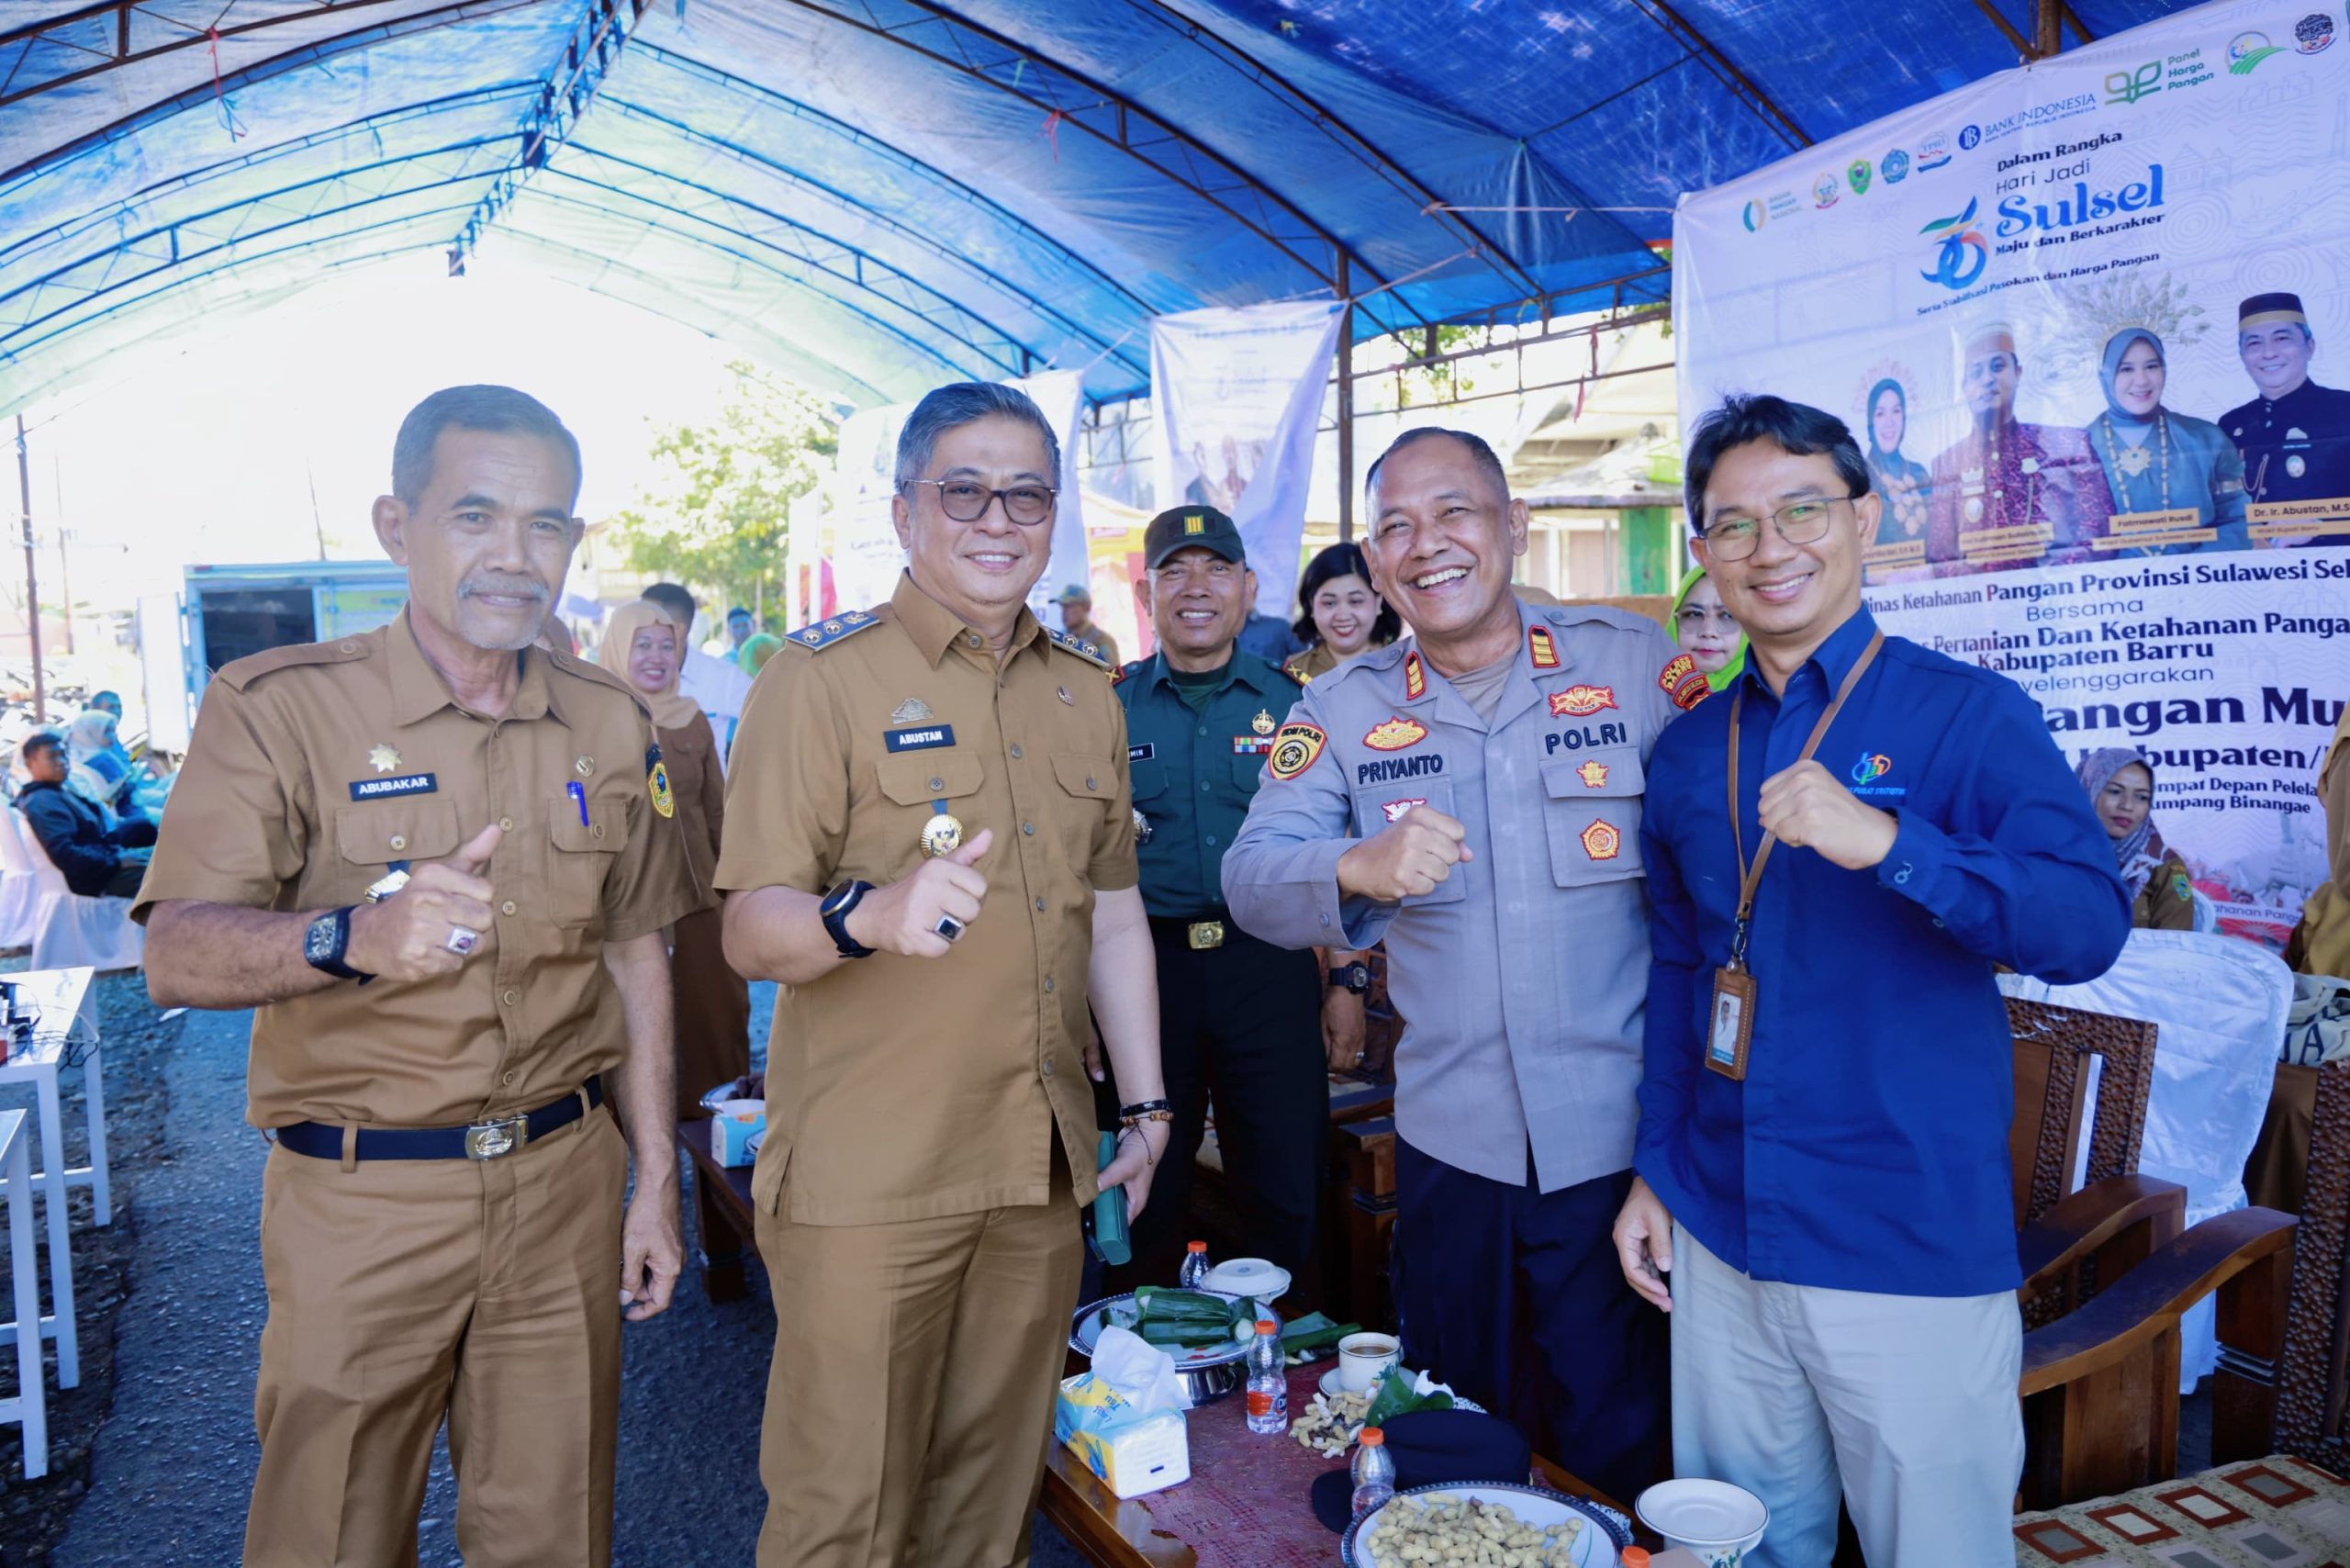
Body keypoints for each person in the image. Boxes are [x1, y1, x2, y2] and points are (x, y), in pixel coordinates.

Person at [129, 385, 698, 1566]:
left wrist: (654, 1181)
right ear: (399, 527)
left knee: (552, 1536)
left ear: (575, 544)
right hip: (361, 1202)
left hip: (560, 1188)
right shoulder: (281, 707)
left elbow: (637, 947)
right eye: (476, 515)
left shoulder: (605, 720)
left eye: (545, 525)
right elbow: (174, 948)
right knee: (330, 1534)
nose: (513, 555)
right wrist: (348, 938)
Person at [1613, 393, 2129, 1568]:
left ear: (1864, 516)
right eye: (1731, 525)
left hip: (1900, 1238)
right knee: (1741, 1549)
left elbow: (2086, 924)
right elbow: (1684, 971)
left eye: (1800, 508)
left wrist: (1897, 847)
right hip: (1720, 1226)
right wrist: (1656, 1166)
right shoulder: (1693, 749)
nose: (1768, 546)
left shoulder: (1965, 715)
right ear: (1702, 552)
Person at [717, 381, 1169, 1568]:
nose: (996, 517)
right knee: (845, 1520)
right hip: (875, 1180)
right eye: (963, 488)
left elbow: (1113, 914)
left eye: (1026, 492)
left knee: (987, 1513)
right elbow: (751, 931)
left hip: (1037, 1172)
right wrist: (869, 917)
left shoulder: (1084, 687)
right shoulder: (819, 682)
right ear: (908, 507)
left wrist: (1150, 1103)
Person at [1225, 426, 1699, 1503]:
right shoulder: (1341, 707)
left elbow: (1731, 857)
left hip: (1618, 1156)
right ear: (1374, 561)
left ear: (1513, 526)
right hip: (1453, 1150)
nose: (1424, 544)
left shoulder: (1633, 668)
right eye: (1394, 525)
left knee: (1619, 1432)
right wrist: (1358, 860)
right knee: (1463, 1428)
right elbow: (1250, 876)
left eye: (1453, 513)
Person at [1098, 503, 1324, 1294]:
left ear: (1248, 587)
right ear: (1145, 591)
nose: (1196, 586)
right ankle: (1145, 1369)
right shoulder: (1105, 704)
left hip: (1267, 964)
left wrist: (1347, 980)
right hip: (1144, 973)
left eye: (1216, 567)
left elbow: (1334, 842)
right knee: (1145, 1178)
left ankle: (1291, 1362)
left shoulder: (1295, 701)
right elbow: (1076, 870)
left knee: (1285, 1176)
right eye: (1174, 569)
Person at [599, 599, 750, 1114]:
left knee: (714, 1023)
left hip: (698, 902)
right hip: (621, 909)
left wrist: (737, 895)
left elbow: (716, 813)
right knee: (626, 1033)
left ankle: (717, 1166)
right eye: (643, 645)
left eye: (668, 646)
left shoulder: (691, 721)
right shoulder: (592, 724)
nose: (657, 657)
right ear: (620, 648)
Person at [1926, 321, 2112, 573]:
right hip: (1983, 606)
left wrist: (2043, 588)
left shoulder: (2068, 446)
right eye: (1976, 373)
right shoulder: (1947, 464)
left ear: (2019, 373)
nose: (1987, 379)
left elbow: (2097, 537)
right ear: (1964, 388)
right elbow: (1941, 556)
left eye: (1997, 366)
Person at [2092, 327, 2250, 552]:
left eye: (2152, 366)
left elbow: (2236, 519)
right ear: (2105, 376)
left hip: (2200, 579)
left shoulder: (2206, 438)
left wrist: (2194, 572)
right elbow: (2074, 540)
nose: (2141, 381)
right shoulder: (2080, 447)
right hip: (2116, 584)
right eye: (2126, 369)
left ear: (2164, 370)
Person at [2222, 292, 2350, 543]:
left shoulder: (2344, 409)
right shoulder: (2230, 425)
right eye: (2254, 343)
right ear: (2242, 357)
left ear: (2309, 347)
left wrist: (2320, 524)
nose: (2269, 353)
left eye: (2281, 338)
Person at [17, 731, 154, 895]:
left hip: (105, 860)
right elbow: (65, 854)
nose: (62, 762)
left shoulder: (55, 791)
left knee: (166, 847)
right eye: (52, 756)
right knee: (175, 870)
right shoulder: (42, 801)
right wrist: (117, 861)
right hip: (100, 877)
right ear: (30, 763)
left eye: (64, 755)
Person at [2076, 746, 2197, 931]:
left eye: (2141, 797)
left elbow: (2176, 948)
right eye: (2115, 792)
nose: (2127, 805)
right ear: (2088, 789)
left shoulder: (2164, 865)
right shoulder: (2057, 856)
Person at [644, 580, 752, 757]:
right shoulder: (627, 675)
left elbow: (775, 719)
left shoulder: (723, 677)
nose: (634, 627)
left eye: (643, 620)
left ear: (677, 630)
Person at [1284, 540, 1399, 685]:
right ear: (1311, 605)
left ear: (1378, 602)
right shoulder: (1292, 672)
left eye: (1355, 601)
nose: (1342, 616)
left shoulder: (1403, 668)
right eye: (1329, 603)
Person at [1670, 566, 1745, 695]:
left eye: (1728, 615)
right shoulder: (1642, 691)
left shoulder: (1769, 699)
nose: (1708, 632)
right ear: (1674, 622)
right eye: (1694, 614)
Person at [1051, 581, 1122, 666]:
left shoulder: (1101, 640)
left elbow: (1112, 675)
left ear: (1086, 608)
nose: (1064, 612)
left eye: (1069, 606)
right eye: (1062, 606)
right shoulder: (1057, 639)